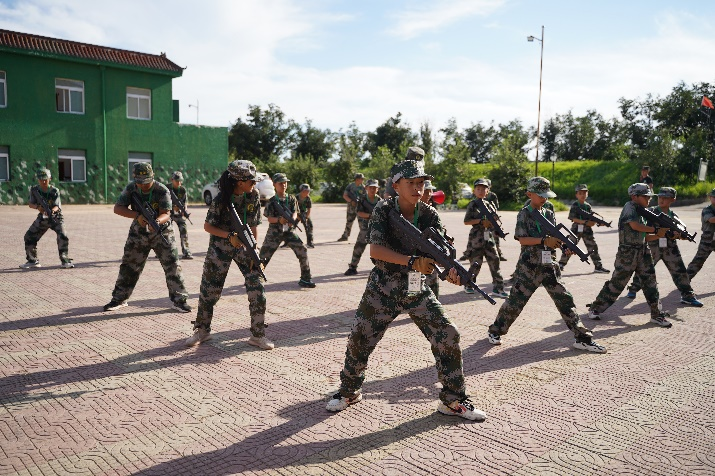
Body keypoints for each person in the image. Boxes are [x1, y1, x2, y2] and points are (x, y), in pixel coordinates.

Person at [326, 159, 486, 421]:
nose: (417, 188)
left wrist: (451, 271)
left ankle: (453, 400)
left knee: (448, 334)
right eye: (410, 183)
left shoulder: (429, 214)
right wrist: (413, 261)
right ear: (396, 185)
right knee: (359, 337)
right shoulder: (383, 209)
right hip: (383, 286)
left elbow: (439, 252)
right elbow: (375, 251)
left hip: (416, 288)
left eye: (420, 183)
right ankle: (349, 391)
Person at [486, 177, 606, 353]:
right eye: (540, 195)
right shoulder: (524, 213)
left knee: (565, 300)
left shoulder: (548, 212)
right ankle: (495, 331)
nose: (544, 199)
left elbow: (555, 236)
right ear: (529, 194)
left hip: (549, 265)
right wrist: (543, 240)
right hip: (529, 267)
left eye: (546, 195)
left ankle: (582, 338)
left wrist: (565, 246)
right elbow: (521, 239)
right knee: (515, 302)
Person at [185, 160, 273, 349]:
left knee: (257, 288)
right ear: (239, 182)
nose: (254, 184)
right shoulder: (221, 200)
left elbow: (254, 225)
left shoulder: (253, 196)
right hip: (219, 248)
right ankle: (202, 331)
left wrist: (254, 248)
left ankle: (258, 335)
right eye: (251, 181)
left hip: (244, 247)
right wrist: (229, 236)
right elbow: (208, 226)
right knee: (209, 291)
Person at [103, 162, 191, 312]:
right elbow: (118, 208)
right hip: (138, 232)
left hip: (162, 232)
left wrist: (156, 221)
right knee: (129, 265)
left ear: (153, 177)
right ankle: (119, 298)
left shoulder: (162, 190)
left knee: (172, 265)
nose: (143, 186)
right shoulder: (131, 188)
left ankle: (180, 300)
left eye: (146, 182)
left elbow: (167, 213)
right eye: (140, 183)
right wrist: (137, 215)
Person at [587, 183, 672, 327]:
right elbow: (634, 225)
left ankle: (657, 314)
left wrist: (661, 234)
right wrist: (655, 229)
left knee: (650, 282)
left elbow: (644, 236)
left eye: (649, 196)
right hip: (628, 252)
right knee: (618, 283)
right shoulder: (630, 207)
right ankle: (596, 308)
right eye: (645, 196)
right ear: (634, 196)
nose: (649, 199)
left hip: (643, 250)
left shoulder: (642, 210)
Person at [626, 187, 702, 307]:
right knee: (645, 270)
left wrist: (680, 236)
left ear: (673, 199)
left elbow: (681, 234)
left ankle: (687, 295)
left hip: (670, 248)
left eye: (665, 198)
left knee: (680, 271)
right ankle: (633, 288)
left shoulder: (674, 216)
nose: (661, 200)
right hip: (653, 246)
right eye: (660, 197)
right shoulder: (650, 211)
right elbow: (641, 226)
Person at [259, 173, 316, 288]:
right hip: (274, 233)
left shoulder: (291, 198)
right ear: (275, 185)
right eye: (280, 183)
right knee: (264, 256)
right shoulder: (272, 201)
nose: (284, 185)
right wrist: (279, 220)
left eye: (285, 183)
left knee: (302, 250)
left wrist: (293, 219)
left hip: (289, 231)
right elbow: (269, 218)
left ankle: (305, 278)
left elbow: (295, 212)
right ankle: (255, 278)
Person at [20, 168, 74, 269]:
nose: (43, 181)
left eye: (45, 179)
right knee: (29, 236)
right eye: (41, 179)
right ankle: (32, 260)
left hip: (56, 218)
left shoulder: (54, 190)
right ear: (38, 180)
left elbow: (57, 205)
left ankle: (65, 260)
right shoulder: (35, 190)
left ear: (50, 179)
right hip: (43, 218)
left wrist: (52, 211)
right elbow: (30, 204)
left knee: (63, 235)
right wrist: (38, 208)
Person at [462, 178, 507, 298]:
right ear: (474, 191)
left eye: (484, 189)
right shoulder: (473, 204)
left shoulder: (490, 204)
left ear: (488, 191)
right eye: (478, 189)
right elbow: (466, 221)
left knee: (495, 261)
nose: (481, 191)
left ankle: (498, 288)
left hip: (489, 237)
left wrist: (495, 224)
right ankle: (469, 284)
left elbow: (495, 220)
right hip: (477, 237)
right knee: (476, 263)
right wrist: (480, 221)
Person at [558, 184, 610, 274]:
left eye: (585, 193)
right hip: (575, 230)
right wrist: (585, 222)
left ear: (587, 194)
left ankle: (598, 266)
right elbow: (572, 218)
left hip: (587, 230)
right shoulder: (575, 205)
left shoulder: (588, 206)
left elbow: (591, 220)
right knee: (569, 246)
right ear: (576, 195)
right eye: (580, 193)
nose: (582, 195)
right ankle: (561, 264)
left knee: (593, 247)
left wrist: (597, 223)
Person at [345, 179, 380, 276]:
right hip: (365, 228)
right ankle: (352, 267)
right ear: (366, 188)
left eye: (375, 188)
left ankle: (381, 269)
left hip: (378, 228)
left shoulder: (380, 201)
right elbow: (359, 213)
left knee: (380, 249)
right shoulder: (362, 200)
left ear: (377, 189)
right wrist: (370, 216)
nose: (372, 190)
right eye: (371, 187)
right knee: (359, 247)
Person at [686, 188, 715, 279]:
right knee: (698, 261)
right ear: (710, 197)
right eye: (714, 197)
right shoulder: (707, 209)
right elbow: (711, 219)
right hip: (708, 240)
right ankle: (685, 281)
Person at [421, 180, 441, 297]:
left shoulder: (433, 210)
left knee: (433, 283)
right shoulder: (410, 209)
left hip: (431, 253)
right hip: (416, 256)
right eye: (426, 191)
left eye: (430, 191)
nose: (428, 194)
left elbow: (438, 231)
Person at [169, 171, 192, 259]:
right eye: (177, 181)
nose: (179, 182)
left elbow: (185, 202)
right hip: (167, 214)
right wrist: (172, 207)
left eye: (180, 181)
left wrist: (184, 210)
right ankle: (168, 252)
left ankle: (186, 252)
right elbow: (161, 202)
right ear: (172, 180)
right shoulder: (166, 189)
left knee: (184, 231)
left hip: (179, 214)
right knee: (168, 232)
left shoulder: (182, 190)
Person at [337, 173, 365, 241]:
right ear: (357, 179)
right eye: (362, 179)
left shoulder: (363, 187)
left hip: (360, 208)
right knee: (349, 222)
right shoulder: (350, 186)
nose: (363, 180)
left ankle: (363, 236)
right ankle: (345, 236)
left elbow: (366, 196)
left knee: (362, 222)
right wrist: (351, 201)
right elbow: (345, 195)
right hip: (351, 208)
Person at [485, 180, 506, 262]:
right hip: (483, 221)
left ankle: (499, 254)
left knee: (496, 237)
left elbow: (496, 206)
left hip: (492, 220)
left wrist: (494, 215)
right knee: (485, 238)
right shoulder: (479, 195)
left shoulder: (492, 196)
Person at [297, 183, 315, 248]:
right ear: (301, 191)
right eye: (305, 191)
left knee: (309, 226)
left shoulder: (308, 198)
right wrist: (297, 217)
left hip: (305, 213)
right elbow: (293, 209)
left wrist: (307, 217)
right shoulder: (296, 198)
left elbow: (309, 209)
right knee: (290, 226)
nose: (307, 192)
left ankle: (310, 242)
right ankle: (287, 242)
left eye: (308, 191)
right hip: (296, 213)